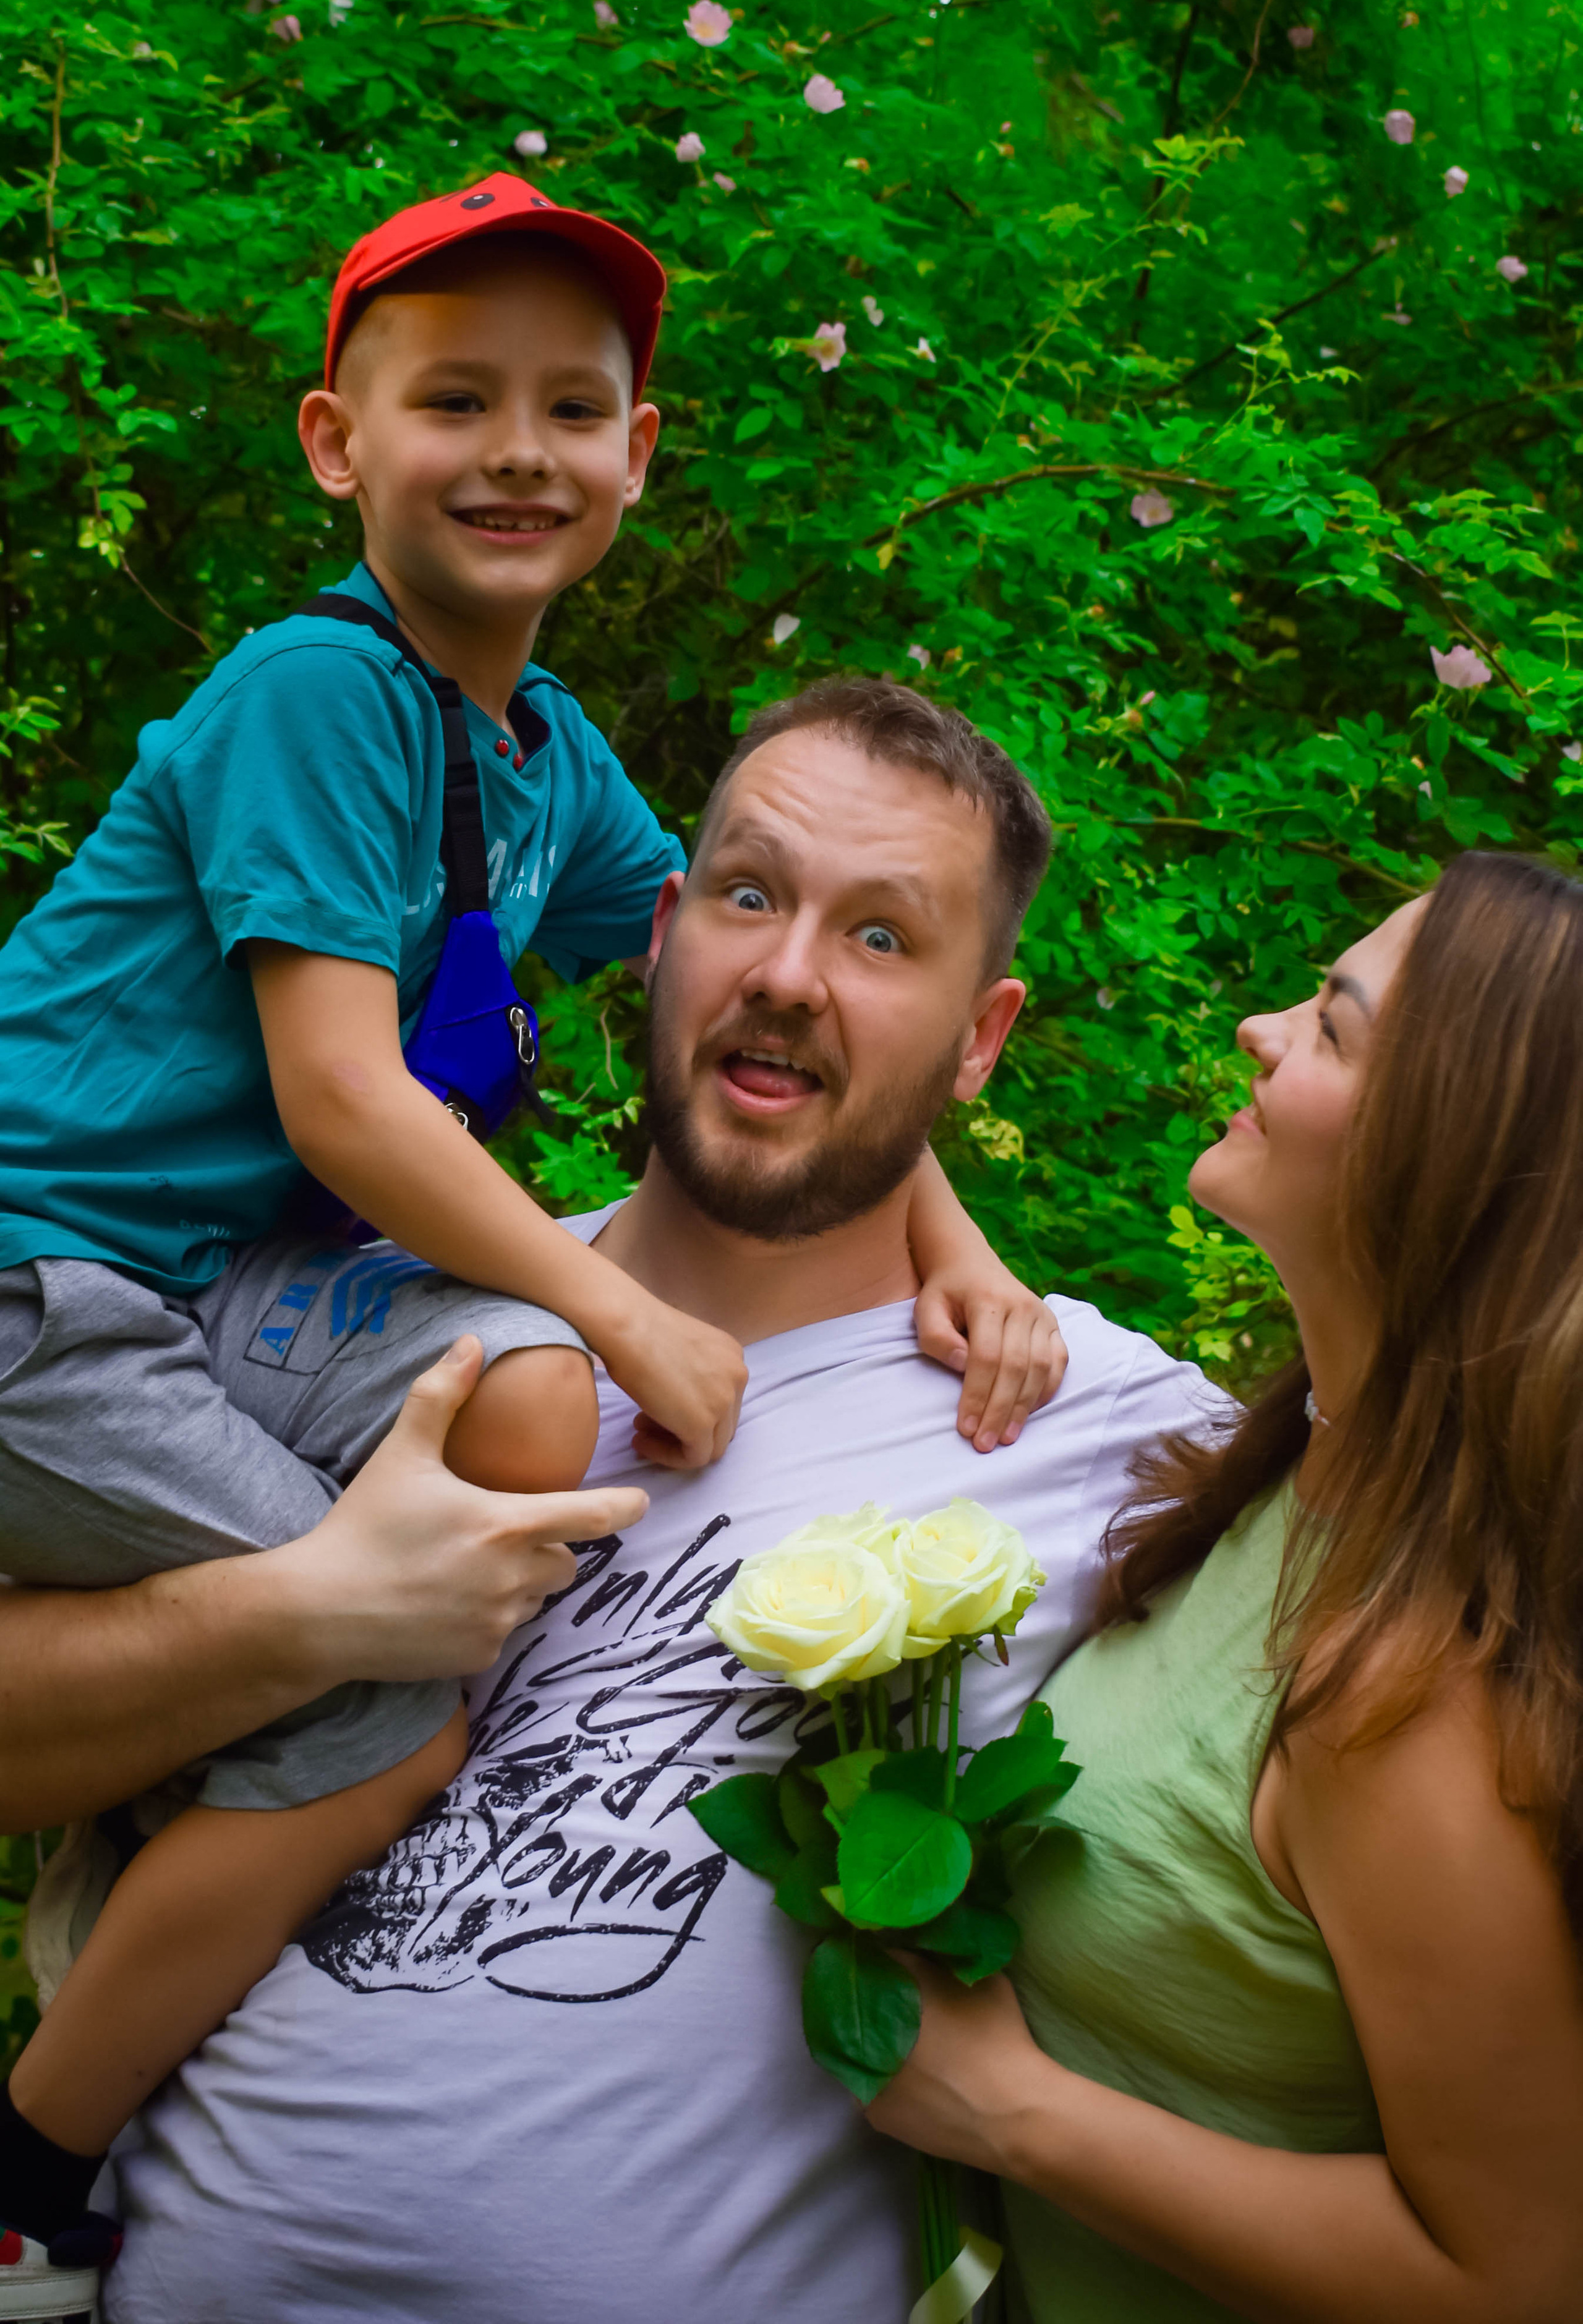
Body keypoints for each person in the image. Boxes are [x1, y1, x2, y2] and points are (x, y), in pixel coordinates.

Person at [0, 179, 1057, 2292]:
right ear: (336, 443)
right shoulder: (315, 697)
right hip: (46, 1284)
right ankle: (35, 2159)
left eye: (572, 409)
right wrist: (628, 1307)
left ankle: (219, 1754)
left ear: (637, 456)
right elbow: (344, 1097)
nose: (518, 451)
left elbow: (732, 978)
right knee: (391, 1697)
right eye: (455, 401)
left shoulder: (542, 757)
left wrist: (949, 1232)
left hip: (203, 1293)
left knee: (529, 1397)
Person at [73, 678, 1221, 2322]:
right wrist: (306, 1615)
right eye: (749, 896)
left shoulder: (1100, 1428)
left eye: (881, 937)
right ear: (663, 933)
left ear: (982, 1038)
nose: (788, 974)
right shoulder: (363, 1327)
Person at [866, 851, 1583, 2323]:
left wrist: (1009, 2112)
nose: (1259, 1029)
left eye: (1330, 1025)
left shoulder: (1412, 1702)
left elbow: (1517, 2277)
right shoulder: (1295, 1476)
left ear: (1447, 1158)